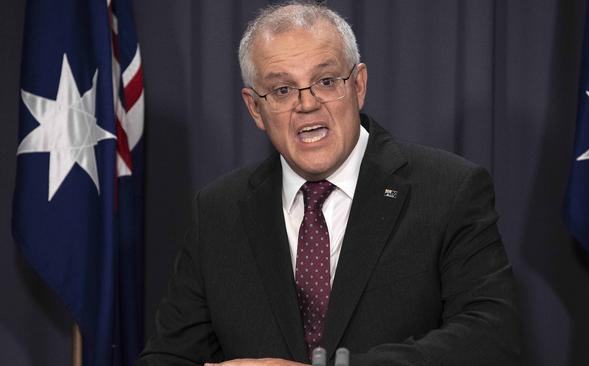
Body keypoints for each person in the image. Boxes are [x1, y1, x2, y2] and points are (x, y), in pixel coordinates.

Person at [137, 2, 520, 365]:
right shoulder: (219, 210)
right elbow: (169, 357)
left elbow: (490, 339)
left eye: (325, 80)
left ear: (358, 85)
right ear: (255, 108)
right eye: (283, 90)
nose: (307, 104)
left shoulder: (448, 189)